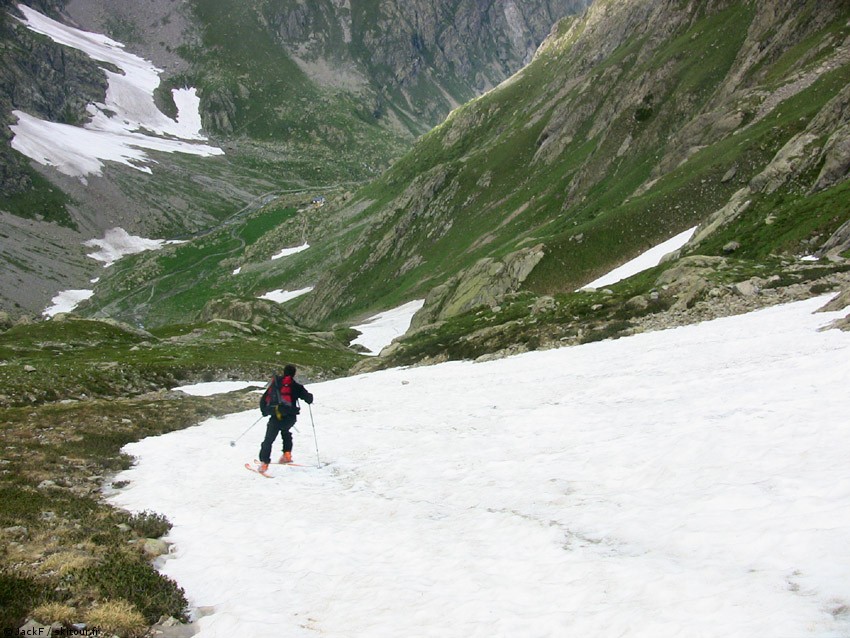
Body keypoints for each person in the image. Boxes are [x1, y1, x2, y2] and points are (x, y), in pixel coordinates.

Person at [256, 364, 313, 471]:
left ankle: (264, 463)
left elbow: (264, 398)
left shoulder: (276, 384)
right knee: (286, 432)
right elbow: (308, 398)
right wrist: (310, 398)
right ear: (294, 374)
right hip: (290, 418)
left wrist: (264, 411)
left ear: (284, 372)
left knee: (268, 440)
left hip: (276, 417)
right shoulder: (296, 386)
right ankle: (287, 455)